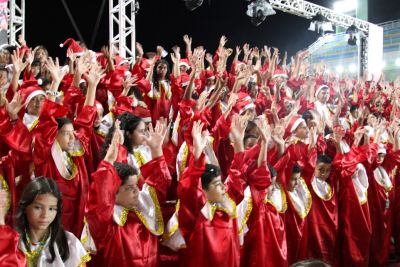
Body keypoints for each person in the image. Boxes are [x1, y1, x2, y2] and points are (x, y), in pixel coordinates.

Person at [83, 119, 171, 267]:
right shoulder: (107, 223)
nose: (137, 190)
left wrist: (157, 151)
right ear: (113, 193)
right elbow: (100, 199)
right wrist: (109, 160)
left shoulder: (145, 208)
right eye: (129, 188)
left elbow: (160, 182)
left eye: (136, 186)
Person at [177, 116, 248, 267]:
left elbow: (237, 174)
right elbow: (188, 189)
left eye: (221, 182)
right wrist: (196, 156)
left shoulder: (227, 201)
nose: (223, 187)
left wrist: (239, 143)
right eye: (217, 184)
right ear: (203, 190)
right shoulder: (197, 212)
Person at [0, 177, 90, 266]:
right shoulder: (13, 242)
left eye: (51, 209)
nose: (45, 215)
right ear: (25, 207)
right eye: (38, 207)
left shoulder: (69, 243)